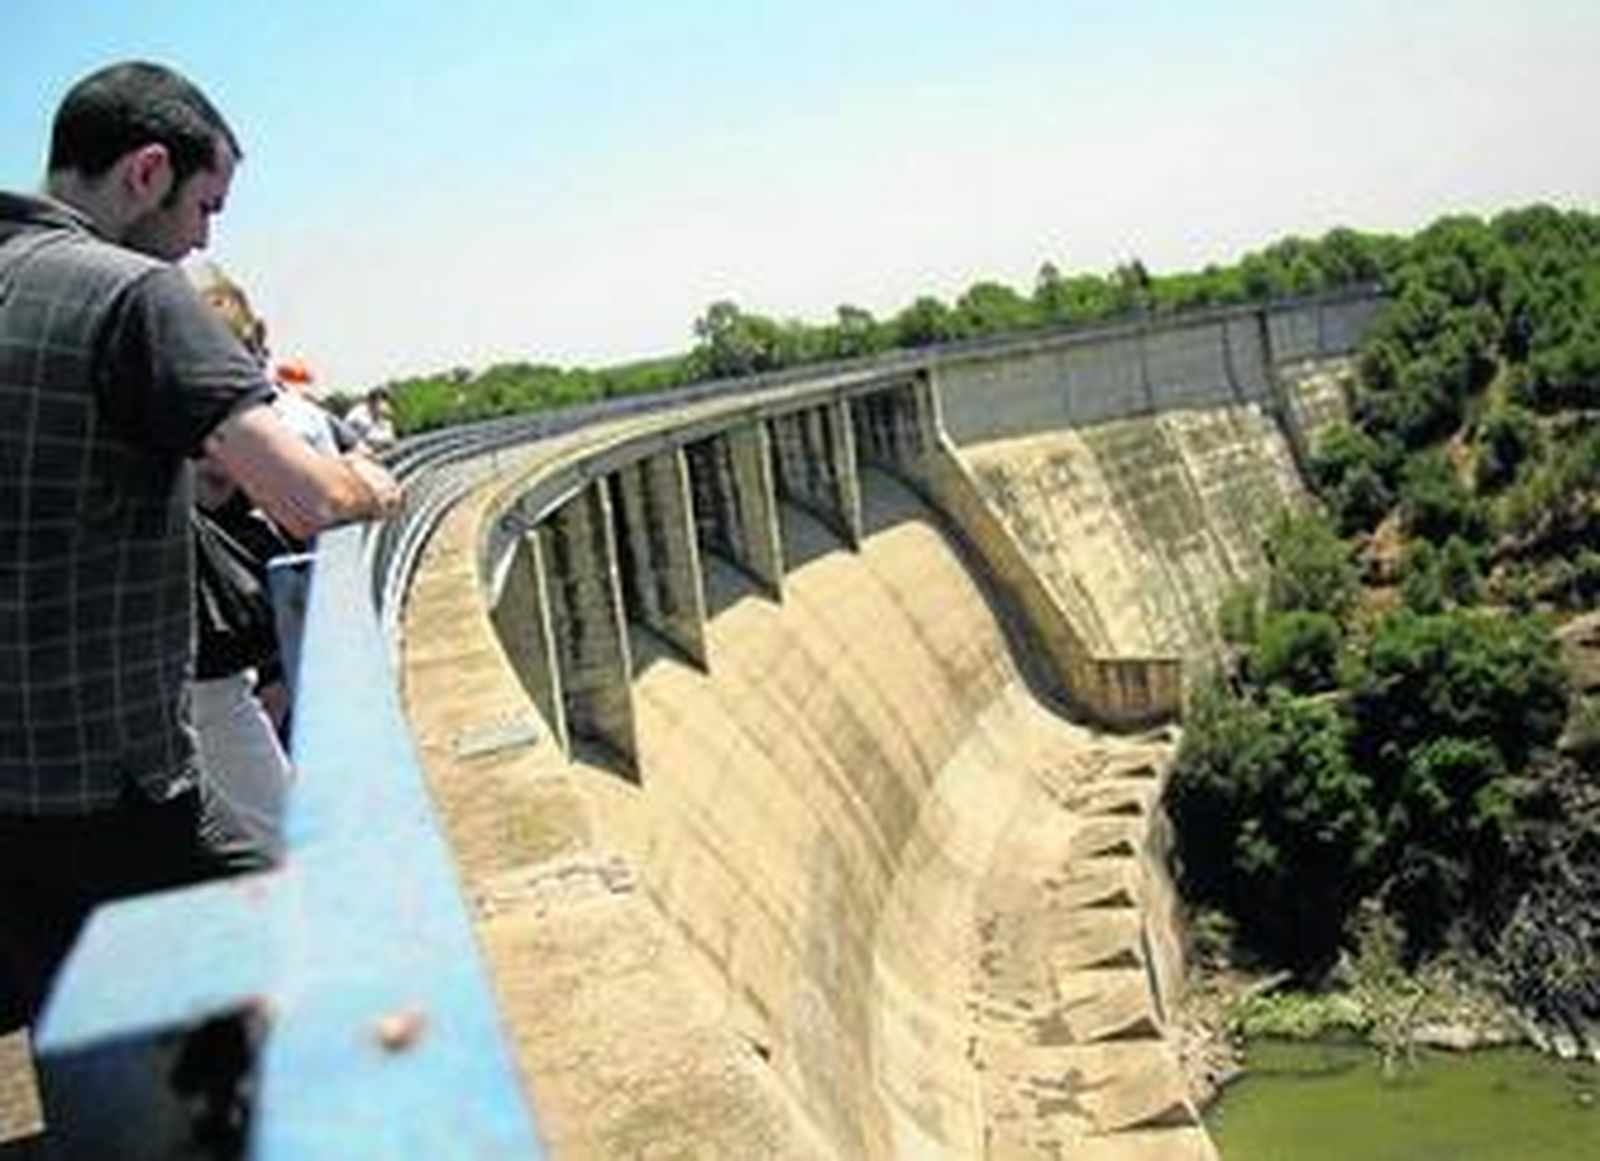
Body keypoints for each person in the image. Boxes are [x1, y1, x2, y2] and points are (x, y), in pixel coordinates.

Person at [0, 60, 403, 1032]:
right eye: (204, 206)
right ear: (145, 173)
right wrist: (372, 479)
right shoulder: (132, 294)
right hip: (117, 801)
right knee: (348, 986)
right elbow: (310, 499)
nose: (203, 239)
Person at [344, 385, 397, 450]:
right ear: (370, 400)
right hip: (362, 452)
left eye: (385, 398)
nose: (384, 403)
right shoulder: (356, 415)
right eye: (381, 398)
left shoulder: (383, 416)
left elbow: (390, 438)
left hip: (383, 450)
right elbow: (347, 438)